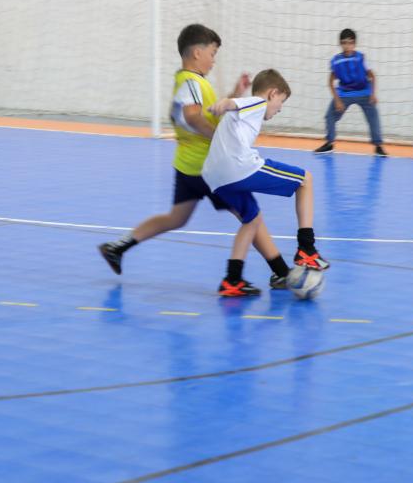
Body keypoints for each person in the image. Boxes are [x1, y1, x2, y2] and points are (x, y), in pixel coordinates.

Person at [98, 24, 293, 292]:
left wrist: (235, 94)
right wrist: (218, 137)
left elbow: (212, 114)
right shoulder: (191, 82)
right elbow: (193, 117)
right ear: (197, 53)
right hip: (209, 167)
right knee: (252, 216)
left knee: (176, 218)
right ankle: (273, 274)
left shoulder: (191, 82)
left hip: (187, 165)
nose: (214, 60)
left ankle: (118, 247)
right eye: (212, 54)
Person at [204, 68, 329, 297]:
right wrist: (225, 101)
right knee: (305, 180)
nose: (279, 109)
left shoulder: (245, 110)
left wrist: (234, 95)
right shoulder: (258, 103)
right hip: (238, 167)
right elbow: (233, 104)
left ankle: (236, 278)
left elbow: (234, 106)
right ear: (272, 93)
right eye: (280, 102)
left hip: (214, 178)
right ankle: (306, 248)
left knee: (252, 220)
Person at [313, 28, 386, 156]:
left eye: (350, 43)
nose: (347, 46)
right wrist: (337, 100)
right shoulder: (336, 60)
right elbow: (330, 81)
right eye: (344, 43)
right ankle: (329, 143)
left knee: (373, 117)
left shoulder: (361, 58)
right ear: (340, 44)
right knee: (329, 116)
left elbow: (372, 76)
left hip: (364, 92)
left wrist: (373, 94)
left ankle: (378, 146)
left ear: (355, 44)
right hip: (344, 94)